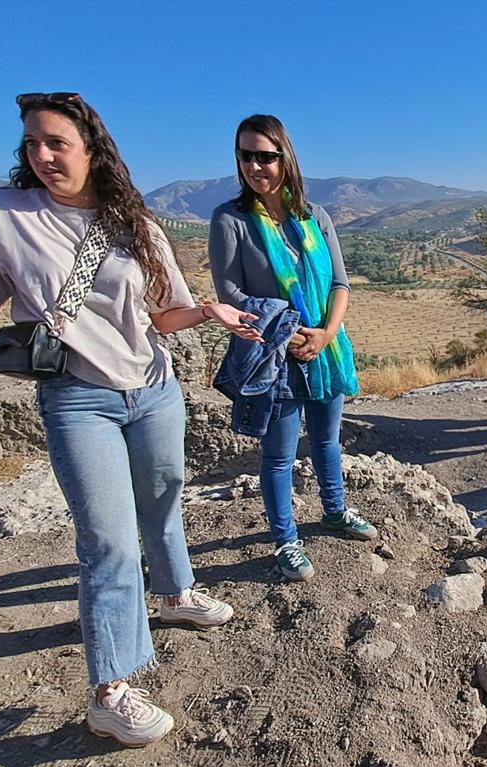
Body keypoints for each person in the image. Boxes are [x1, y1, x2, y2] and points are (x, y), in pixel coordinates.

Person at [0, 92, 263, 747]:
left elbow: (164, 315)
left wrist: (208, 314)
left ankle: (175, 593)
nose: (42, 154)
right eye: (32, 143)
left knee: (163, 499)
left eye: (56, 142)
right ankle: (110, 693)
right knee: (108, 542)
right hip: (75, 400)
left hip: (153, 389)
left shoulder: (135, 222)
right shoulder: (4, 214)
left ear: (92, 148)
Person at [210, 114, 377, 584]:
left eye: (266, 155)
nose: (255, 165)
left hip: (326, 350)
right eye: (246, 156)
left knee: (326, 440)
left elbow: (340, 283)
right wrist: (289, 329)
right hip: (273, 356)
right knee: (279, 455)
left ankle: (335, 512)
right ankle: (285, 540)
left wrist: (324, 332)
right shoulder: (231, 219)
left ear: (286, 157)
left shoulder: (314, 216)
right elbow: (231, 294)